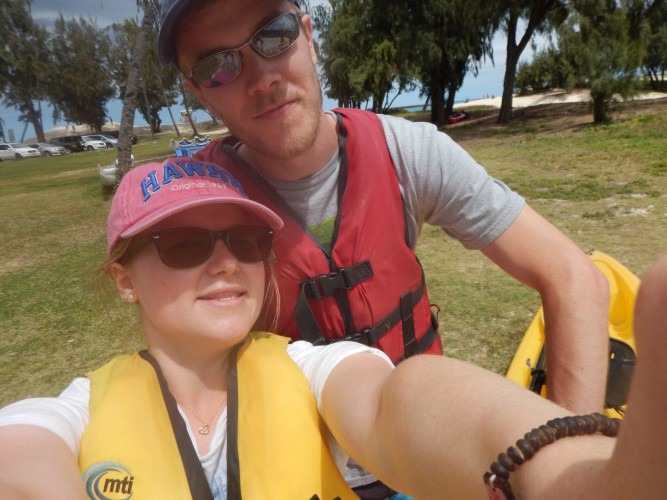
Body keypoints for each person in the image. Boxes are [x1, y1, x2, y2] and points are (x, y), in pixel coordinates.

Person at [0, 157, 665, 500]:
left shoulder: (312, 371)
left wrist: (569, 473)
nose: (226, 261)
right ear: (123, 278)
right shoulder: (75, 411)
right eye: (181, 245)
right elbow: (19, 460)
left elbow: (400, 401)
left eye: (245, 238)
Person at [156, 0, 610, 417]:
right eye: (218, 67)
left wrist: (570, 453)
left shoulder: (407, 153)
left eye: (274, 36)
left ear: (309, 38)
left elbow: (572, 275)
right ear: (200, 93)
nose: (263, 80)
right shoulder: (197, 202)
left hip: (419, 438)